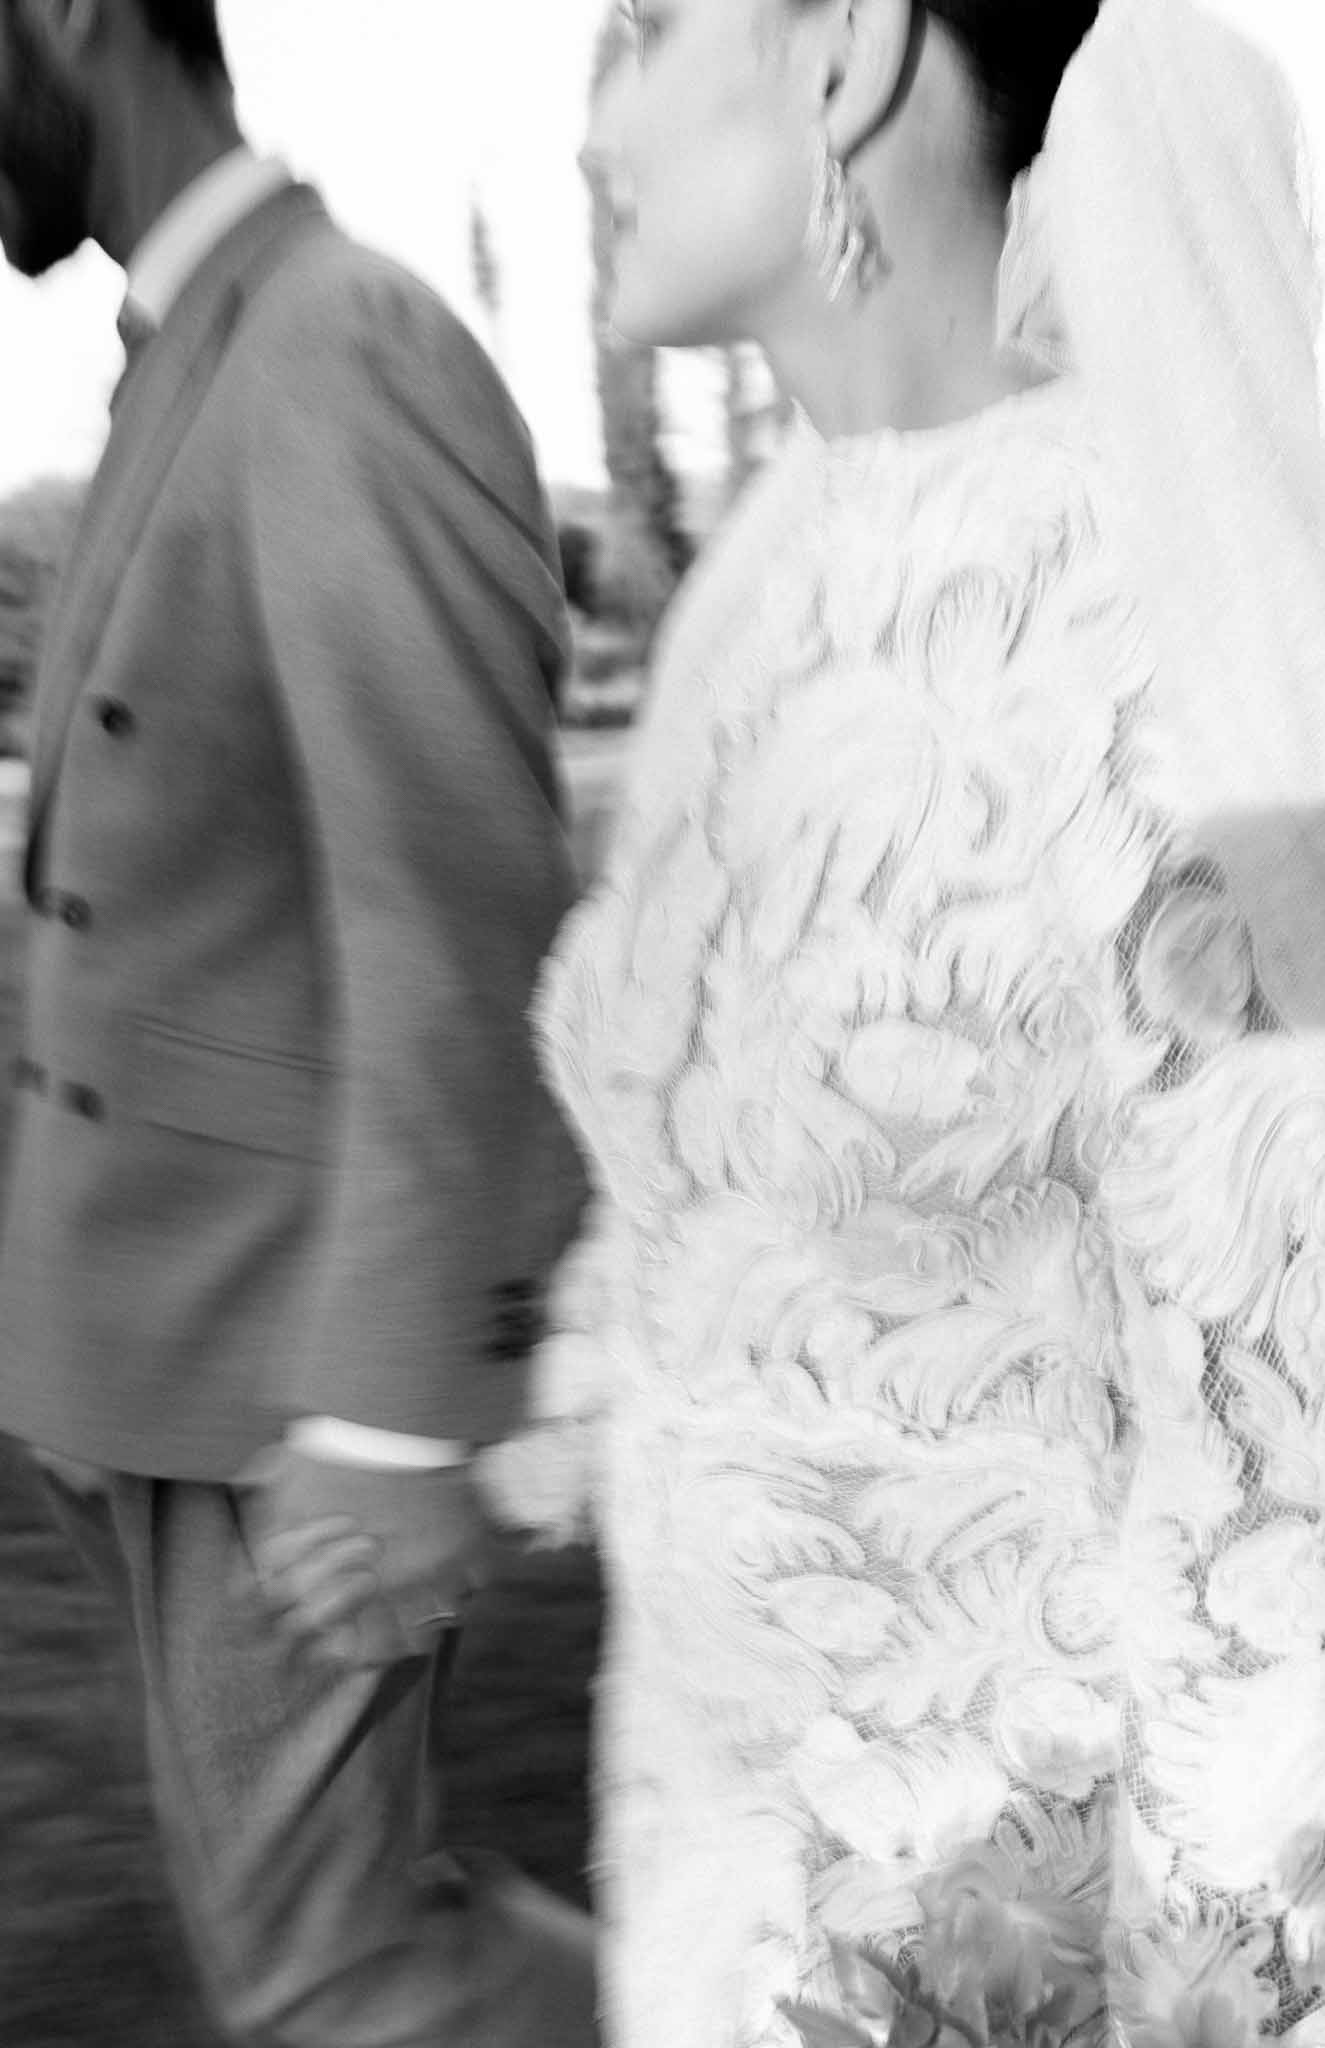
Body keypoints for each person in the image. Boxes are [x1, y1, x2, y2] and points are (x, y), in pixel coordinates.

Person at [480, 0, 1325, 2041]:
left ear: (847, 53)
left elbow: (1263, 1458)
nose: (591, 130)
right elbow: (704, 1157)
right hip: (700, 1838)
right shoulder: (758, 577)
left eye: (648, 27)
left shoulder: (1137, 600)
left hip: (992, 1938)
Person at [0, 2, 597, 2043]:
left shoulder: (341, 343)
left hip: (284, 1379)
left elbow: (456, 907)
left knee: (337, 1977)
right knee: (322, 1955)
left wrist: (396, 1417)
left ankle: (770, 1992)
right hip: (153, 1365)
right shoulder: (197, 344)